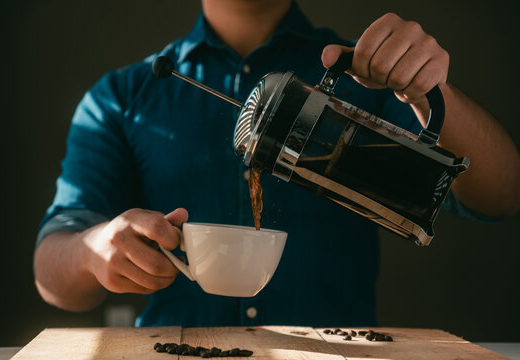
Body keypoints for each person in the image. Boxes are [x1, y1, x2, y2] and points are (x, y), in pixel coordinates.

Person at [33, 0, 520, 328]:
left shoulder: (367, 77)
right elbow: (53, 269)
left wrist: (427, 91)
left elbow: (502, 196)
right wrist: (90, 249)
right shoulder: (121, 98)